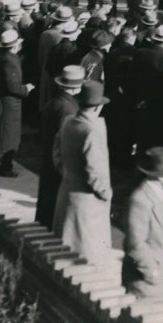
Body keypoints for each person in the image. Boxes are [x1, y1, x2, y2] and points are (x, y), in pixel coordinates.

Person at [52, 81, 113, 266]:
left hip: (67, 191)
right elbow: (96, 171)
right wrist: (106, 193)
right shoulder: (93, 129)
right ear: (99, 106)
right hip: (87, 201)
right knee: (86, 255)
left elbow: (56, 153)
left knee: (64, 249)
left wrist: (67, 172)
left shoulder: (68, 121)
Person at [122, 146, 163, 299]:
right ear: (160, 174)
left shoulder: (160, 193)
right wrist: (152, 273)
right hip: (143, 281)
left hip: (157, 277)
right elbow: (134, 244)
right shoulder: (140, 199)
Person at [36, 65, 84, 228]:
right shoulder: (69, 109)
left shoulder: (54, 102)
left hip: (48, 157)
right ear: (76, 87)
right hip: (59, 162)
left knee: (46, 200)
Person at [0, 29, 35, 176]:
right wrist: (26, 88)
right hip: (9, 104)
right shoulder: (10, 62)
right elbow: (12, 86)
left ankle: (1, 164)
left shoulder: (0, 58)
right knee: (8, 136)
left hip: (1, 100)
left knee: (4, 133)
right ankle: (3, 167)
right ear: (15, 46)